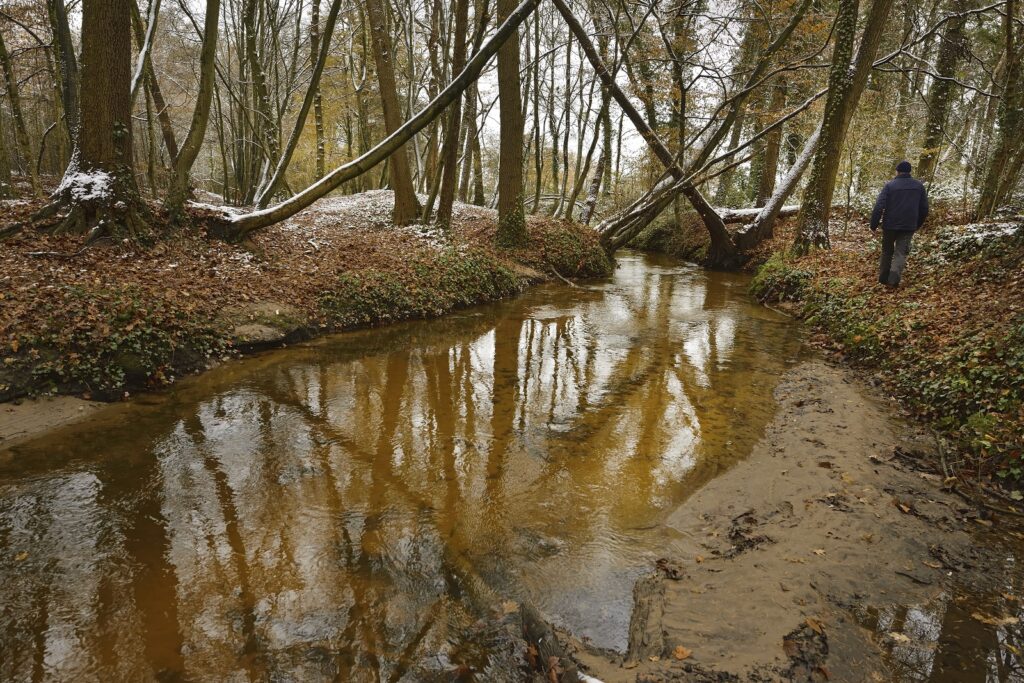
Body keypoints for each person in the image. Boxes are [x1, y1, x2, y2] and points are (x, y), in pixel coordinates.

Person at [869, 160, 929, 287]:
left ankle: (883, 278)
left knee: (886, 251)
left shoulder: (890, 186)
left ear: (897, 171)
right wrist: (917, 224)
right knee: (900, 252)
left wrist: (873, 224)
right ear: (909, 171)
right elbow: (924, 209)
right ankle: (893, 280)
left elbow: (879, 206)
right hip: (908, 226)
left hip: (890, 224)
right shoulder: (919, 186)